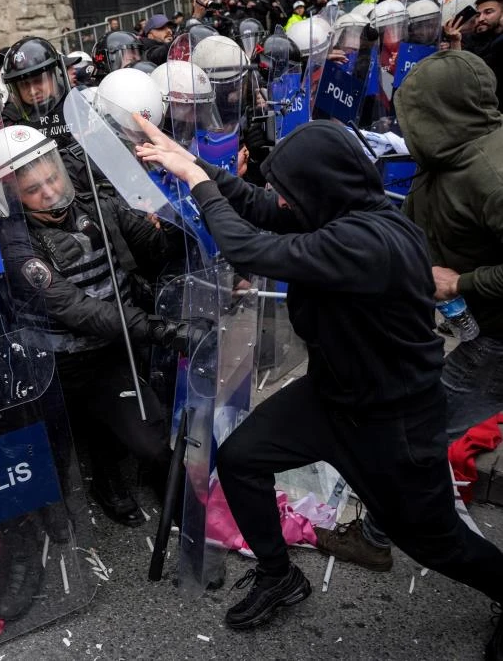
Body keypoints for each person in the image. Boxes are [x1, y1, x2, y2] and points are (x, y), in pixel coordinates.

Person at [133, 115, 503, 656]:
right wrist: (197, 165)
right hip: (331, 395)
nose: (278, 200)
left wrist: (197, 182)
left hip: (390, 421)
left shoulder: (369, 241)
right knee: (241, 459)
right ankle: (280, 574)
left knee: (435, 542)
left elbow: (253, 250)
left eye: (287, 190)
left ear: (320, 188)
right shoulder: (336, 209)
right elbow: (261, 209)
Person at [316, 51, 503, 581]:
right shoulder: (453, 151)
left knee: (416, 436)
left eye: (414, 112)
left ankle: (383, 537)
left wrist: (461, 282)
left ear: (442, 111)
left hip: (496, 338)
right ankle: (380, 531)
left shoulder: (491, 174)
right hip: (479, 327)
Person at [0, 124, 190, 526]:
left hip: (111, 352)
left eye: (52, 177)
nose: (50, 192)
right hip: (54, 367)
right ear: (10, 197)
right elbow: (79, 310)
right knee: (51, 466)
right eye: (33, 189)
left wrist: (175, 209)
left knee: (152, 443)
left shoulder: (96, 204)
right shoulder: (15, 244)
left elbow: (158, 248)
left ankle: (117, 465)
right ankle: (102, 479)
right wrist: (162, 329)